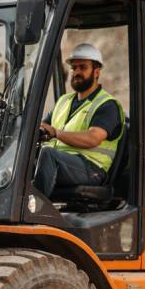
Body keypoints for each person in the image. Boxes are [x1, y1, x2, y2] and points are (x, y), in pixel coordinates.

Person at [34, 43, 125, 197]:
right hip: (65, 162)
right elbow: (43, 125)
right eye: (73, 68)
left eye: (82, 67)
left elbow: (93, 139)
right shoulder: (64, 101)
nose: (76, 72)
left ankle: (33, 209)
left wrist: (56, 133)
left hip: (92, 169)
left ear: (96, 72)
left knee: (48, 154)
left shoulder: (107, 105)